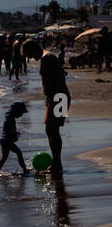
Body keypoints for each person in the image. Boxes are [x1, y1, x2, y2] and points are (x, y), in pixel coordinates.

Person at [28, 39, 70, 177]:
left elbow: (48, 84)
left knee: (52, 130)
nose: (29, 58)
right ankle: (57, 163)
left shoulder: (46, 59)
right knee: (53, 130)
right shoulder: (50, 56)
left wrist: (49, 98)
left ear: (32, 49)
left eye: (28, 54)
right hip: (61, 96)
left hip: (58, 98)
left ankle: (57, 164)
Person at [0, 102, 29, 174]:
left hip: (3, 140)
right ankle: (25, 170)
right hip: (7, 141)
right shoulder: (10, 119)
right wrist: (14, 136)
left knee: (4, 157)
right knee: (19, 153)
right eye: (21, 113)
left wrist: (15, 133)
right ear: (16, 111)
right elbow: (9, 131)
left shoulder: (9, 117)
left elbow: (8, 130)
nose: (21, 115)